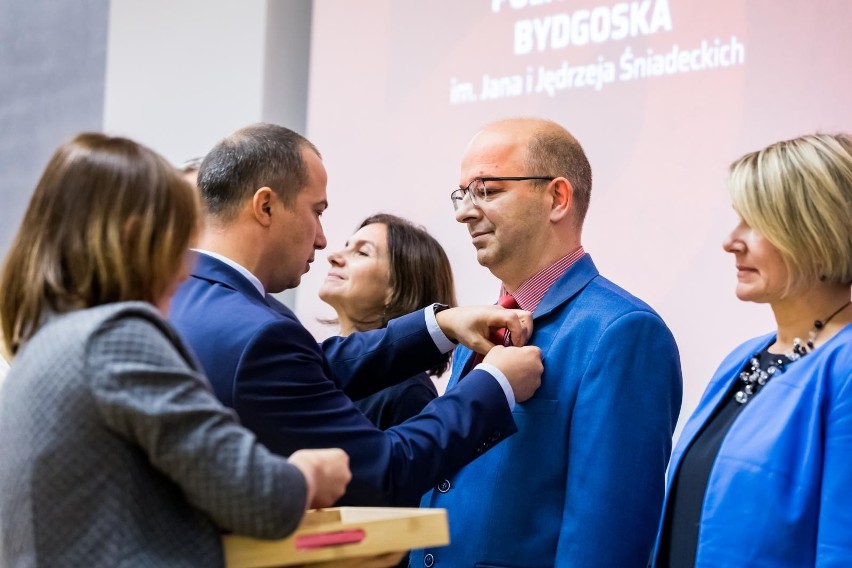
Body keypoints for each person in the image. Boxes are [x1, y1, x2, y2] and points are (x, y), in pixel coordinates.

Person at [0, 133, 351, 566]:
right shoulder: (118, 338)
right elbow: (256, 497)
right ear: (133, 237)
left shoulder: (39, 347)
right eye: (181, 241)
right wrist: (309, 475)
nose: (187, 266)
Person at [169, 123, 544, 507]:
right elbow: (384, 470)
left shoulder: (176, 297)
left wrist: (440, 324)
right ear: (265, 206)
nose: (323, 240)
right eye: (316, 212)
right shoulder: (258, 332)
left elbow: (318, 365)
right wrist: (495, 383)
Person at [413, 118, 683, 567]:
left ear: (557, 197)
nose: (463, 213)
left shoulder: (622, 332)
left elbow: (606, 539)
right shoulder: (479, 327)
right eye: (462, 195)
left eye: (488, 190)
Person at [652, 133, 852, 566]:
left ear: (819, 229)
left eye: (755, 222)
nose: (731, 241)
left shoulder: (846, 367)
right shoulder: (742, 359)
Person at [319, 213, 456, 432]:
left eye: (362, 252)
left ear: (397, 289)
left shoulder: (408, 393)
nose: (334, 256)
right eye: (346, 246)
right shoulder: (318, 365)